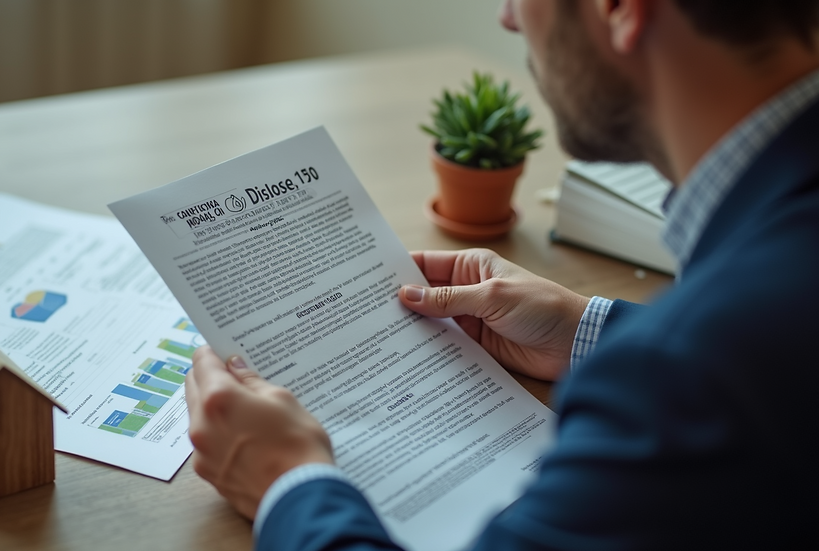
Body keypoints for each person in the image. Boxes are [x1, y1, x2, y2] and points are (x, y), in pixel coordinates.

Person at [185, 0, 819, 549]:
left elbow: (720, 371)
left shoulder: (682, 381)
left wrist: (287, 482)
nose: (508, 17)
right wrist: (584, 330)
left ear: (619, 7)